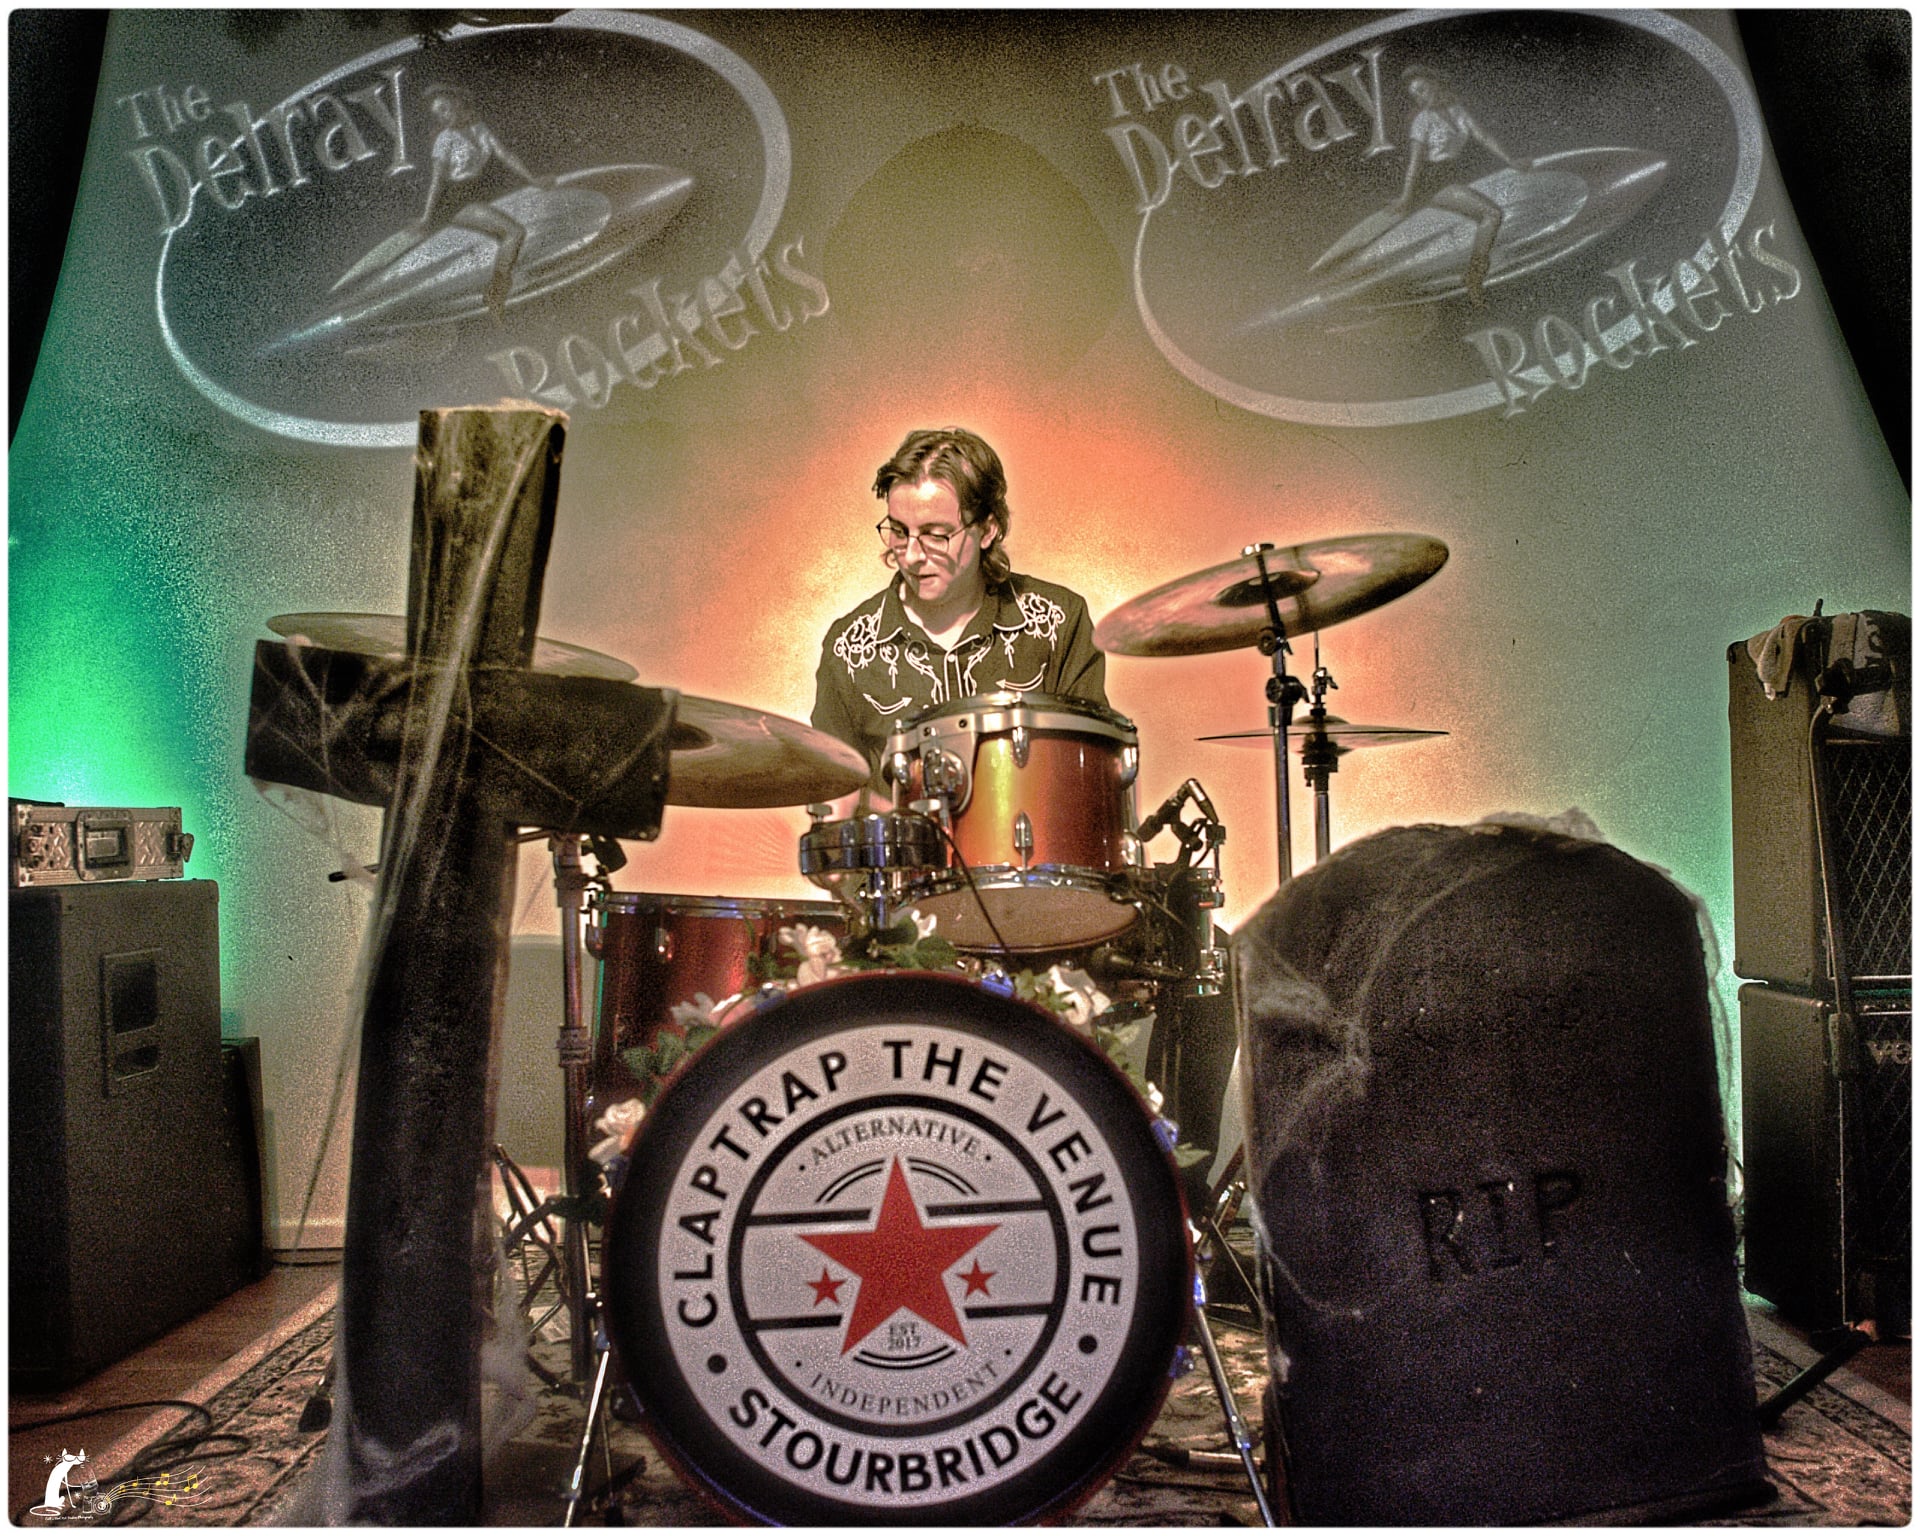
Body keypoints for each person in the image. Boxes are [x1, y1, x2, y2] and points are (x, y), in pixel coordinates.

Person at [812, 428, 1108, 805]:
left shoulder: (1059, 621)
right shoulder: (849, 649)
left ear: (987, 529)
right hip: (905, 845)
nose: (912, 555)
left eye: (936, 535)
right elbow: (834, 798)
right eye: (899, 532)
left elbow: (1094, 773)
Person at [1392, 67, 1532, 306]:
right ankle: (1474, 276)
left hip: (1454, 176)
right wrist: (1406, 197)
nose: (1420, 97)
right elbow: (1415, 164)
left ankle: (1477, 271)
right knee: (1492, 214)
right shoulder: (1422, 121)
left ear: (1435, 83)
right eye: (1415, 95)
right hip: (1434, 181)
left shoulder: (1456, 110)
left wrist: (1510, 160)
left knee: (1489, 210)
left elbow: (1483, 136)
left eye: (1422, 89)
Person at [414, 83, 552, 321]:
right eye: (437, 114)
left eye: (444, 109)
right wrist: (427, 217)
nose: (442, 117)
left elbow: (505, 155)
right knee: (514, 232)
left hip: (475, 195)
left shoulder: (479, 129)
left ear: (457, 103)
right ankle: (496, 292)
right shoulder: (444, 140)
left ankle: (498, 289)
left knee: (509, 231)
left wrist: (533, 180)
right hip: (454, 200)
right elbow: (437, 181)